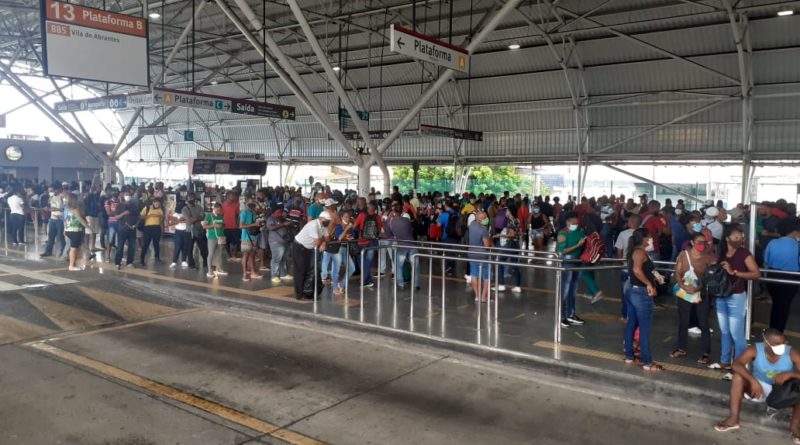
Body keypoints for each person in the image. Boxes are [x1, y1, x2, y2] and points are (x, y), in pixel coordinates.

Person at [715, 328, 800, 443]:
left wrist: (790, 374)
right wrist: (753, 380)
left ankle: (794, 427)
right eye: (777, 344)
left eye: (783, 343)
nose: (782, 346)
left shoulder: (791, 353)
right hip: (758, 389)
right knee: (737, 377)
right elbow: (736, 364)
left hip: (782, 392)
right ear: (766, 343)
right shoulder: (755, 349)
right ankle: (733, 419)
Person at [714, 225, 761, 374]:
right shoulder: (721, 253)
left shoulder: (745, 254)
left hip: (736, 297)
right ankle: (725, 361)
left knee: (736, 334)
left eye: (741, 237)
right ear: (727, 238)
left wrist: (733, 272)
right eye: (736, 236)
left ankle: (740, 364)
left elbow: (756, 274)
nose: (739, 239)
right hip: (721, 296)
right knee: (724, 331)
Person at [672, 231, 717, 364]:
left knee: (703, 322)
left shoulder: (709, 257)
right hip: (685, 293)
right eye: (699, 242)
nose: (702, 245)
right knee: (683, 321)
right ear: (692, 243)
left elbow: (710, 277)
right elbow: (678, 273)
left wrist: (698, 288)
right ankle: (681, 347)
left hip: (701, 293)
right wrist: (684, 287)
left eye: (704, 243)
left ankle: (706, 352)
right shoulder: (683, 255)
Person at [624, 228, 663, 371]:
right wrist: (648, 284)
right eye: (650, 237)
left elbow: (645, 270)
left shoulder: (636, 251)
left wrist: (656, 278)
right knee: (645, 329)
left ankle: (629, 356)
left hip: (632, 290)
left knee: (631, 324)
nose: (651, 239)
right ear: (645, 239)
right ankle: (647, 362)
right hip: (641, 293)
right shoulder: (640, 252)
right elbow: (637, 270)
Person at [764, 217, 800, 332]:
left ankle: (772, 331)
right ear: (794, 231)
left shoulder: (773, 242)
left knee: (776, 305)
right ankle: (778, 333)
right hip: (791, 279)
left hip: (772, 276)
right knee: (784, 307)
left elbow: (766, 261)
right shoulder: (797, 245)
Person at [292, 211, 331, 299]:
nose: (328, 222)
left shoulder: (324, 226)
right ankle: (299, 294)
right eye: (327, 220)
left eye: (329, 220)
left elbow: (328, 238)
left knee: (308, 269)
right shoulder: (313, 225)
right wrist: (322, 241)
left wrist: (324, 243)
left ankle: (306, 291)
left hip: (309, 248)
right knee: (300, 270)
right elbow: (317, 242)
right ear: (321, 218)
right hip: (299, 246)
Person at [557, 212, 586, 327]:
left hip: (577, 262)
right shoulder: (562, 234)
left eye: (577, 223)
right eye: (573, 223)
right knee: (565, 290)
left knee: (573, 290)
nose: (576, 225)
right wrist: (578, 245)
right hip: (567, 262)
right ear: (567, 222)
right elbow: (562, 251)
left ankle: (571, 314)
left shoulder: (579, 232)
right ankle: (562, 316)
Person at [386, 206, 419, 291]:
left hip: (401, 246)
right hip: (411, 244)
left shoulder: (390, 222)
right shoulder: (406, 220)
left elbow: (389, 235)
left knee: (399, 266)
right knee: (415, 265)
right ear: (401, 212)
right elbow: (410, 231)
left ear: (393, 212)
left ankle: (400, 284)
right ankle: (416, 284)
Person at [615, 214, 641, 321]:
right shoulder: (643, 234)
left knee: (625, 293)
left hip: (626, 268)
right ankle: (637, 315)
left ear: (630, 222)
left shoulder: (623, 234)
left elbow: (619, 250)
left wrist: (622, 262)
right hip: (640, 269)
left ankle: (625, 315)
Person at [354, 202, 381, 288]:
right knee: (368, 262)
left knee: (361, 260)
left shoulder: (362, 215)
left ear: (368, 207)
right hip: (372, 242)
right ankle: (368, 280)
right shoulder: (377, 217)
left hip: (362, 241)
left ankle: (363, 280)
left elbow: (354, 226)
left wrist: (360, 231)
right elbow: (379, 230)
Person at [468, 210, 492, 303]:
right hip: (483, 255)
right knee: (486, 277)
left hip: (472, 253)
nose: (486, 219)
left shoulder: (471, 225)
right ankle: (483, 297)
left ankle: (477, 296)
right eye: (485, 217)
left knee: (474, 275)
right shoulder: (483, 229)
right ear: (481, 219)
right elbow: (486, 245)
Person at [266, 206, 293, 284]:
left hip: (284, 241)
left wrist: (288, 223)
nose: (280, 212)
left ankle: (283, 274)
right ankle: (274, 275)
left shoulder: (280, 218)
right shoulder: (270, 219)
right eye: (279, 211)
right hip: (275, 242)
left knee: (284, 258)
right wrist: (283, 224)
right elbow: (271, 228)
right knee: (276, 259)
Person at [63, 193, 89, 271]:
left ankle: (73, 263)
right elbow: (81, 220)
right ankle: (71, 265)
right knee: (74, 248)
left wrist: (64, 229)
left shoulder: (66, 209)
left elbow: (65, 220)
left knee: (76, 247)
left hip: (68, 230)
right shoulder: (75, 210)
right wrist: (88, 227)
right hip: (75, 230)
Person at [113, 191, 139, 270]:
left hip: (132, 229)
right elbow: (116, 217)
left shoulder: (134, 206)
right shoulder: (119, 206)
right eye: (126, 195)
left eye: (128, 195)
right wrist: (123, 213)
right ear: (123, 196)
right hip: (122, 229)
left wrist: (136, 225)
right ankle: (117, 262)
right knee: (120, 246)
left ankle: (130, 262)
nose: (127, 196)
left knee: (132, 246)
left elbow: (139, 217)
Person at [182, 194, 208, 271]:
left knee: (203, 248)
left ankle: (206, 262)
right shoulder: (185, 209)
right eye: (190, 199)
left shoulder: (199, 207)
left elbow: (203, 216)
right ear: (186, 200)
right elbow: (190, 220)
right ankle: (191, 264)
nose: (192, 200)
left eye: (193, 198)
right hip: (189, 231)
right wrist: (198, 218)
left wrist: (195, 219)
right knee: (189, 249)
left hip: (200, 230)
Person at [202, 202, 228, 278]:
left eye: (220, 210)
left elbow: (223, 225)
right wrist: (214, 225)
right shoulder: (209, 216)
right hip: (212, 237)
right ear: (214, 208)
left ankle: (219, 268)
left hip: (220, 237)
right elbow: (204, 226)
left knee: (220, 253)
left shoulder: (220, 216)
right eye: (218, 209)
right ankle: (209, 271)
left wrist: (222, 225)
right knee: (211, 254)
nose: (219, 211)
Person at [239, 198, 261, 282]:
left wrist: (257, 224)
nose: (252, 206)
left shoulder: (253, 212)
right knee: (246, 255)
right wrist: (254, 224)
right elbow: (241, 226)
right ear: (246, 204)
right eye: (250, 204)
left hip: (253, 237)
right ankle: (244, 274)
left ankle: (253, 272)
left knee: (252, 255)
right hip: (246, 237)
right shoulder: (244, 212)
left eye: (253, 204)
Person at [41, 184, 65, 257]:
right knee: (50, 236)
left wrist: (52, 209)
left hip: (60, 219)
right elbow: (50, 206)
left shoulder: (62, 197)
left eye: (51, 190)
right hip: (52, 219)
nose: (50, 192)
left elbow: (63, 209)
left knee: (60, 237)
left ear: (57, 189)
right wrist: (47, 207)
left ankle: (63, 252)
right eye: (49, 191)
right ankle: (48, 251)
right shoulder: (51, 197)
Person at [139, 198, 164, 265]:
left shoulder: (160, 209)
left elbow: (162, 219)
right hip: (147, 228)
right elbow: (141, 217)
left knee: (156, 244)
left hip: (157, 228)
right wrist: (149, 216)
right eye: (156, 203)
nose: (157, 204)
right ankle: (142, 259)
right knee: (146, 244)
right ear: (153, 202)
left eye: (158, 203)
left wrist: (162, 229)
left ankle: (157, 257)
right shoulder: (147, 208)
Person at [221, 191, 241, 261]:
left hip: (235, 226)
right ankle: (229, 255)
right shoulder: (223, 205)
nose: (233, 197)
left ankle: (234, 255)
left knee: (235, 242)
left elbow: (239, 214)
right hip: (226, 226)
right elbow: (221, 215)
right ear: (227, 196)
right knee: (226, 242)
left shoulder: (236, 204)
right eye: (232, 196)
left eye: (234, 196)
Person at [104, 190, 122, 262]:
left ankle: (118, 256)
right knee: (110, 240)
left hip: (119, 222)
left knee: (119, 240)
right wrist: (119, 214)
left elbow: (111, 212)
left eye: (116, 193)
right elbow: (108, 213)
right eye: (114, 193)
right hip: (112, 222)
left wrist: (116, 213)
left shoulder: (120, 201)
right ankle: (107, 257)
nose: (115, 194)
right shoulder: (108, 202)